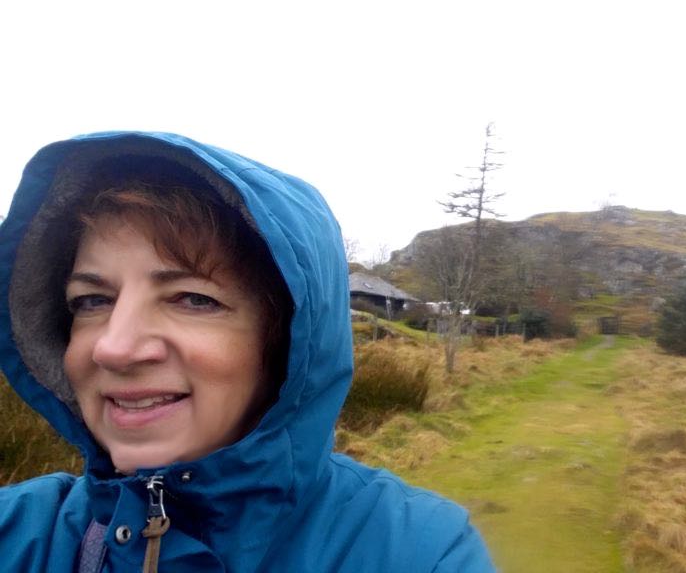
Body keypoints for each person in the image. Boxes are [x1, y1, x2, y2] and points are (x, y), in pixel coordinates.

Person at [0, 132, 495, 572]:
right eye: (91, 301)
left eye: (193, 299)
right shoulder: (19, 533)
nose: (114, 347)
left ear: (287, 341)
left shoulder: (418, 551)